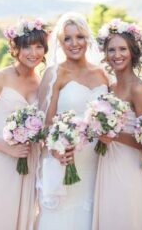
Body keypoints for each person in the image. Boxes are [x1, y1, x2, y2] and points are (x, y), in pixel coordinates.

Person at [0, 17, 49, 230]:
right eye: (27, 47)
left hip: (29, 160)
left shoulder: (43, 84)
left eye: (39, 46)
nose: (33, 53)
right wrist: (9, 149)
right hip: (0, 159)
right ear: (15, 48)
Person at [36, 12, 109, 229]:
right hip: (65, 161)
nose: (74, 43)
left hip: (96, 163)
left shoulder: (103, 74)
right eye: (67, 38)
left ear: (88, 39)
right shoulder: (55, 73)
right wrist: (55, 149)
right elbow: (44, 125)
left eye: (79, 36)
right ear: (59, 42)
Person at [92, 18, 142, 230]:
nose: (116, 55)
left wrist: (114, 136)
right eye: (111, 50)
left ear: (132, 52)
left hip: (130, 167)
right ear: (105, 54)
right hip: (107, 162)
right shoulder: (109, 87)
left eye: (122, 49)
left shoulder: (139, 89)